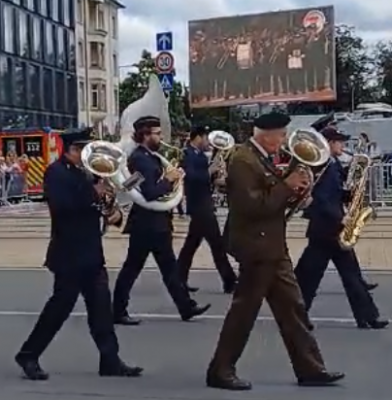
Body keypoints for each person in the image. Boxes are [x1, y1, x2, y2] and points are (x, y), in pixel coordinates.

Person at [206, 112, 344, 390]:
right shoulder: (243, 159)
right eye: (281, 135)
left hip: (272, 245)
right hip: (256, 246)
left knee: (293, 308)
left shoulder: (260, 158)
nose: (284, 141)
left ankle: (311, 368)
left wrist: (298, 193)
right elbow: (253, 206)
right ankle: (220, 370)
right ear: (266, 134)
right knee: (244, 311)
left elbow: (272, 197)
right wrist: (287, 185)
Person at [15, 128, 143, 380]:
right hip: (68, 255)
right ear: (72, 149)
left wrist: (111, 210)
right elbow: (63, 208)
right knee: (59, 309)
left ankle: (110, 360)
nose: (88, 157)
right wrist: (93, 194)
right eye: (84, 151)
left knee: (101, 310)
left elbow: (101, 212)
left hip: (92, 254)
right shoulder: (56, 173)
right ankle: (28, 354)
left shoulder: (87, 174)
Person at [112, 116, 211, 325]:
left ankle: (186, 307)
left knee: (167, 268)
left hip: (156, 222)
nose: (161, 137)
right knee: (134, 268)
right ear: (145, 135)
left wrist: (174, 177)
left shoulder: (150, 157)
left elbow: (134, 185)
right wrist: (169, 180)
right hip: (147, 224)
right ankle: (118, 310)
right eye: (157, 133)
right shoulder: (140, 159)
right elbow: (148, 193)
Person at [294, 126, 388, 330]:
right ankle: (296, 316)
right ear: (328, 143)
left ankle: (368, 317)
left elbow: (335, 195)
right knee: (308, 277)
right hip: (324, 229)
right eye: (339, 141)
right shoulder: (324, 166)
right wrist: (341, 218)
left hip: (332, 230)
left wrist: (351, 194)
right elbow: (322, 199)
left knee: (350, 274)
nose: (343, 145)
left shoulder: (333, 164)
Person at [177, 126, 237, 293]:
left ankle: (179, 278)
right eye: (206, 139)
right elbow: (190, 177)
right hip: (199, 206)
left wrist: (216, 174)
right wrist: (209, 171)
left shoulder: (201, 156)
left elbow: (206, 179)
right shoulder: (187, 154)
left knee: (191, 245)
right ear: (198, 137)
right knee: (217, 244)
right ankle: (229, 280)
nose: (208, 143)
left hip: (204, 204)